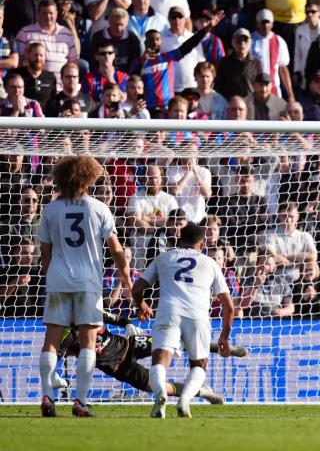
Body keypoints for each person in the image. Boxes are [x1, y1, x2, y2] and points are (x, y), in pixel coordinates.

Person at [38, 156, 133, 417]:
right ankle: (80, 402)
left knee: (52, 341)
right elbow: (116, 249)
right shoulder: (98, 208)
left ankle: (47, 397)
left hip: (58, 279)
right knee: (89, 342)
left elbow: (44, 252)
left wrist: (52, 274)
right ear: (88, 178)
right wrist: (125, 276)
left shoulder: (51, 209)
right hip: (88, 283)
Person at [133, 223, 235, 418]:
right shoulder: (210, 263)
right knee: (199, 366)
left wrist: (142, 305)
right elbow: (229, 306)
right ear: (202, 244)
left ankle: (161, 394)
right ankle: (184, 400)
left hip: (168, 312)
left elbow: (137, 289)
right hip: (198, 316)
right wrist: (224, 337)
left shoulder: (164, 257)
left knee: (160, 362)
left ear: (179, 239)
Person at [55, 310, 248, 404]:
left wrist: (128, 325)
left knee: (170, 342)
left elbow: (118, 319)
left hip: (129, 345)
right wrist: (55, 377)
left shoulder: (90, 312)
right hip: (120, 368)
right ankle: (203, 393)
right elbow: (56, 355)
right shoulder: (65, 336)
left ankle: (221, 349)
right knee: (159, 388)